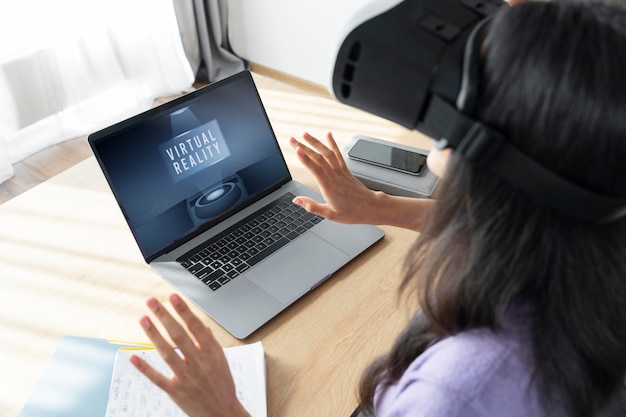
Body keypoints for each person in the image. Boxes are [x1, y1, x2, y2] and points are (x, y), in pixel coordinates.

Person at [129, 0, 626, 416]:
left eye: (480, 83)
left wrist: (223, 409)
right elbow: (538, 223)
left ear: (503, 150)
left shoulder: (457, 392)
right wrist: (380, 206)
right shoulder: (598, 233)